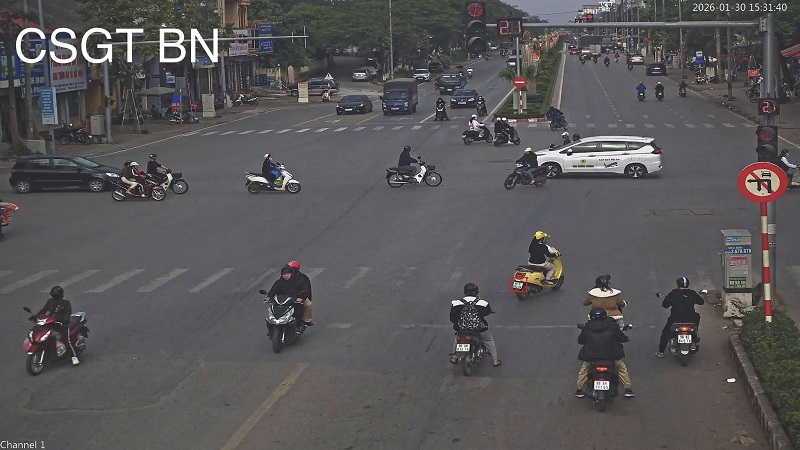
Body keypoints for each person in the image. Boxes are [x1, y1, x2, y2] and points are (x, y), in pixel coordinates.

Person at [575, 308, 634, 398]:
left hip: (591, 356)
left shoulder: (587, 328)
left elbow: (581, 341)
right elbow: (621, 338)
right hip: (612, 355)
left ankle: (579, 390)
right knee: (622, 368)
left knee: (584, 370)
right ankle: (628, 389)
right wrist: (626, 339)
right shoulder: (613, 326)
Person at [449, 283, 501, 367]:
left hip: (462, 329)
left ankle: (454, 358)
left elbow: (452, 318)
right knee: (488, 341)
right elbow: (487, 312)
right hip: (479, 329)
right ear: (477, 292)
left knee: (457, 340)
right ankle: (495, 360)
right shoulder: (482, 303)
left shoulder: (456, 303)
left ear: (465, 292)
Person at [656, 277, 705, 358]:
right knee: (697, 317)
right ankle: (694, 338)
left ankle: (661, 352)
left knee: (666, 333)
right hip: (690, 319)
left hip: (675, 319)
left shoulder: (673, 293)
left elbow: (665, 305)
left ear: (678, 284)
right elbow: (701, 302)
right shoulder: (691, 293)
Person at [34, 286, 79, 365]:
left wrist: (63, 320)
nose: (55, 297)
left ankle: (74, 356)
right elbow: (43, 310)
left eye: (56, 295)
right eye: (54, 295)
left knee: (66, 341)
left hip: (62, 325)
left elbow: (68, 314)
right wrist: (36, 316)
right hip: (51, 324)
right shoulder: (50, 301)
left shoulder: (66, 303)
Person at [265, 266, 310, 334]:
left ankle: (297, 326)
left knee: (298, 309)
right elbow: (273, 290)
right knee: (273, 310)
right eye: (284, 274)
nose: (286, 276)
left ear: (291, 274)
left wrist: (301, 298)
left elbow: (305, 290)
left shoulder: (298, 281)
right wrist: (269, 296)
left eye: (287, 274)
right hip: (282, 300)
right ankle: (271, 328)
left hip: (294, 300)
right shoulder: (279, 282)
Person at [287, 260, 314, 326]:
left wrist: (302, 297)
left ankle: (307, 320)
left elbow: (307, 289)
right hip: (287, 296)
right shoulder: (285, 276)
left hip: (299, 296)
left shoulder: (303, 278)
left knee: (308, 304)